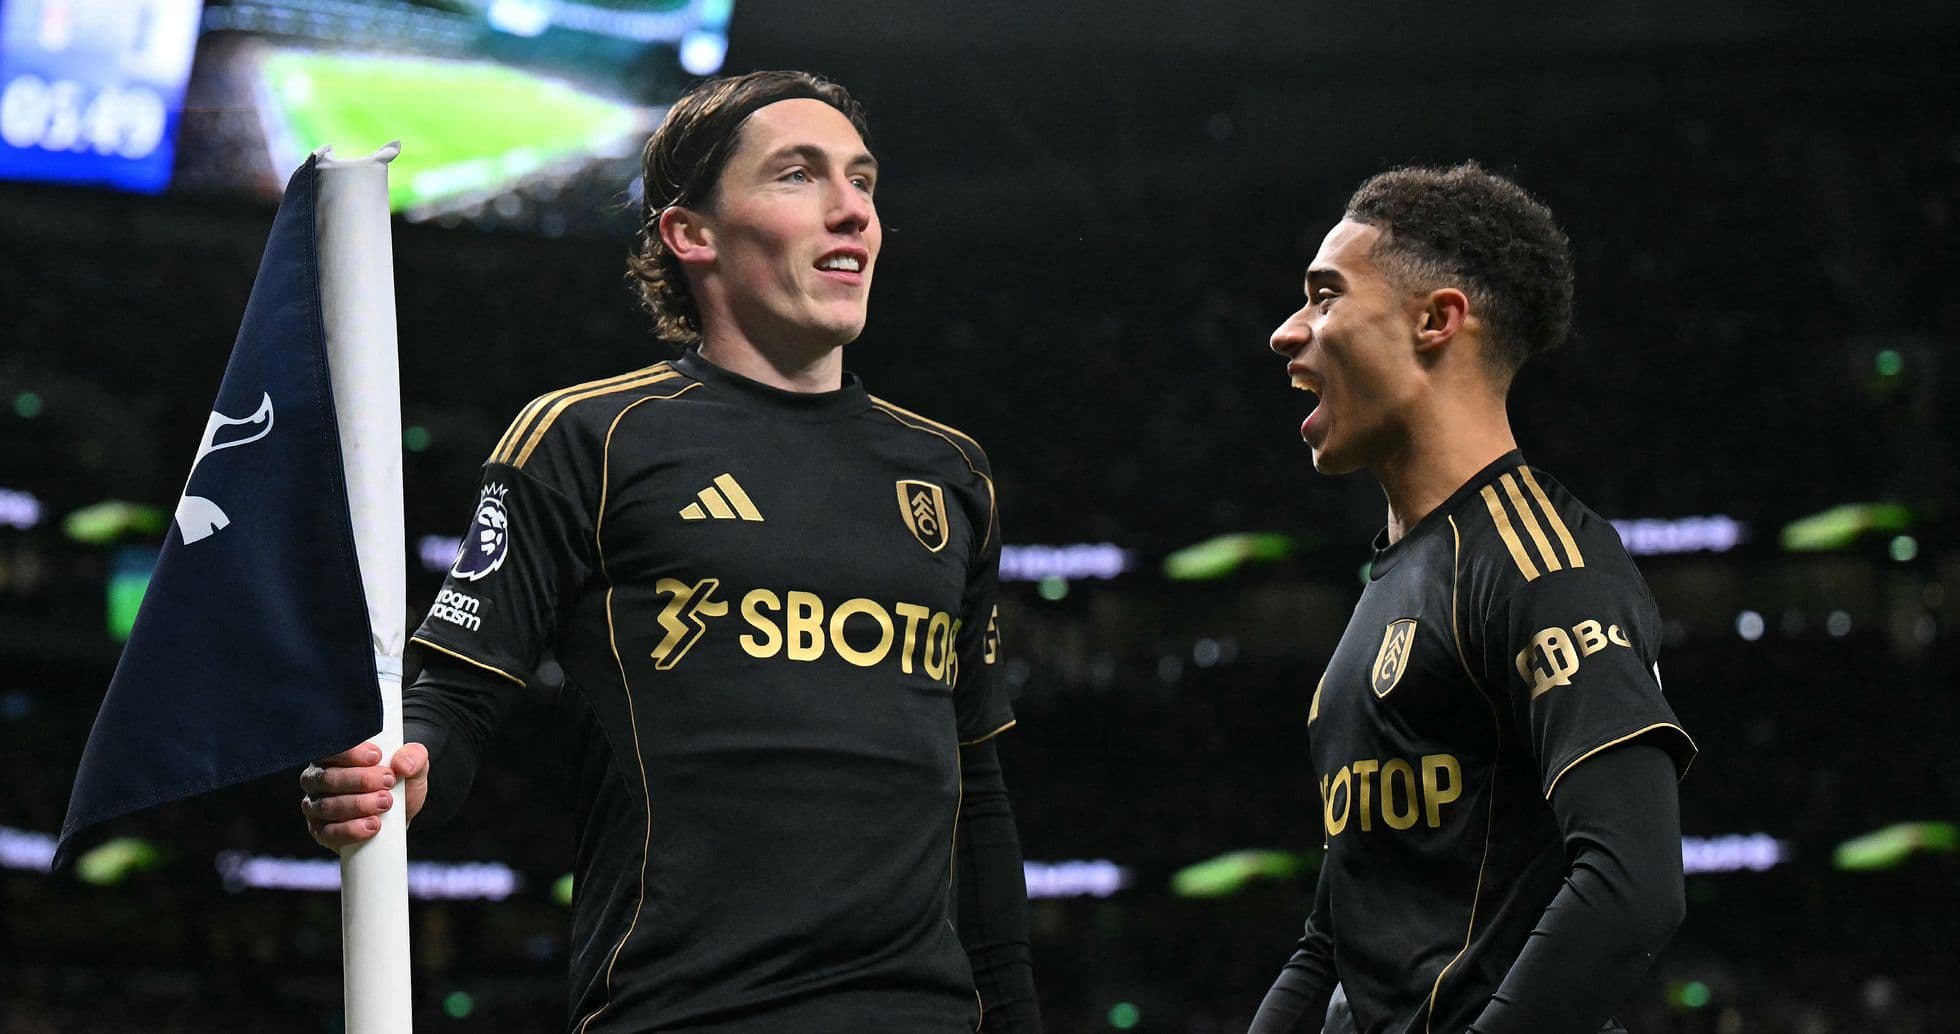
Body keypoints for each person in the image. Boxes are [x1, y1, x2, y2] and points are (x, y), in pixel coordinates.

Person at [298, 70, 1041, 1034]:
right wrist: (393, 776)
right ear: (691, 234)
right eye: (798, 175)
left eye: (861, 180)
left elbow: (979, 793)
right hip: (680, 1012)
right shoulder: (584, 438)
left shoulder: (951, 472)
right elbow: (456, 699)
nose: (852, 209)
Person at [1249, 163, 1696, 1034]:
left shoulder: (1543, 562)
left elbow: (1632, 885)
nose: (1286, 332)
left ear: (1437, 320)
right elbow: (1333, 938)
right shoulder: (1390, 586)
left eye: (1325, 297)